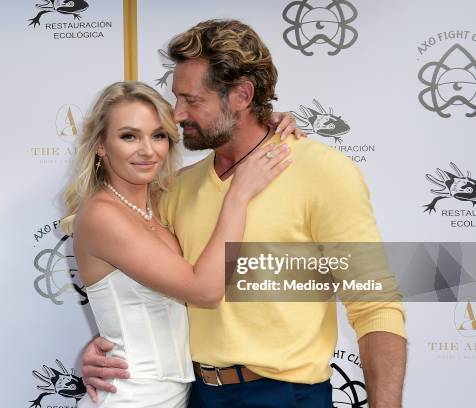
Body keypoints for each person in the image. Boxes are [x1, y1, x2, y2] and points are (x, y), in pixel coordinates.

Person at [81, 19, 408, 408]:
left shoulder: (322, 172)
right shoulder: (176, 189)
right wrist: (107, 347)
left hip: (283, 395)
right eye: (177, 98)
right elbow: (151, 284)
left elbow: (376, 306)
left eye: (193, 100)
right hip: (194, 394)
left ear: (241, 95)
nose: (178, 114)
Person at [63, 81, 296, 407]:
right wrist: (238, 196)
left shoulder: (160, 202)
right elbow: (205, 291)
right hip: (129, 397)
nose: (148, 150)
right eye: (129, 136)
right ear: (101, 145)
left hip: (178, 394)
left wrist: (262, 124)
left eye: (158, 135)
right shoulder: (102, 216)